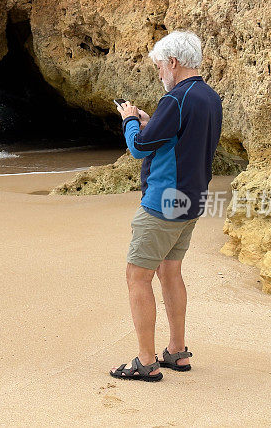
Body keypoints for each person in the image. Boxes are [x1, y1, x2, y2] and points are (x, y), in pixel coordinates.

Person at [110, 30, 223, 382]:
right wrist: (150, 123)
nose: (159, 72)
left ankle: (146, 360)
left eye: (159, 66)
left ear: (172, 62)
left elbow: (140, 148)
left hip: (162, 203)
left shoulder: (175, 99)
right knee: (169, 272)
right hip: (191, 201)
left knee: (137, 276)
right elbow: (180, 139)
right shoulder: (209, 96)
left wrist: (130, 120)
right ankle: (176, 351)